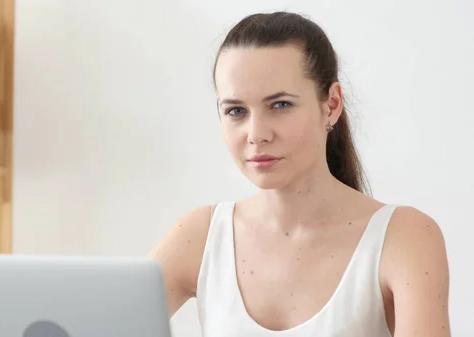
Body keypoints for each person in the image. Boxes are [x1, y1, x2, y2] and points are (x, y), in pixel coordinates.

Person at [148, 11, 451, 337]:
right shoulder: (201, 236)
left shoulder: (404, 239)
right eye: (236, 111)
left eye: (280, 105)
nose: (256, 134)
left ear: (332, 104)